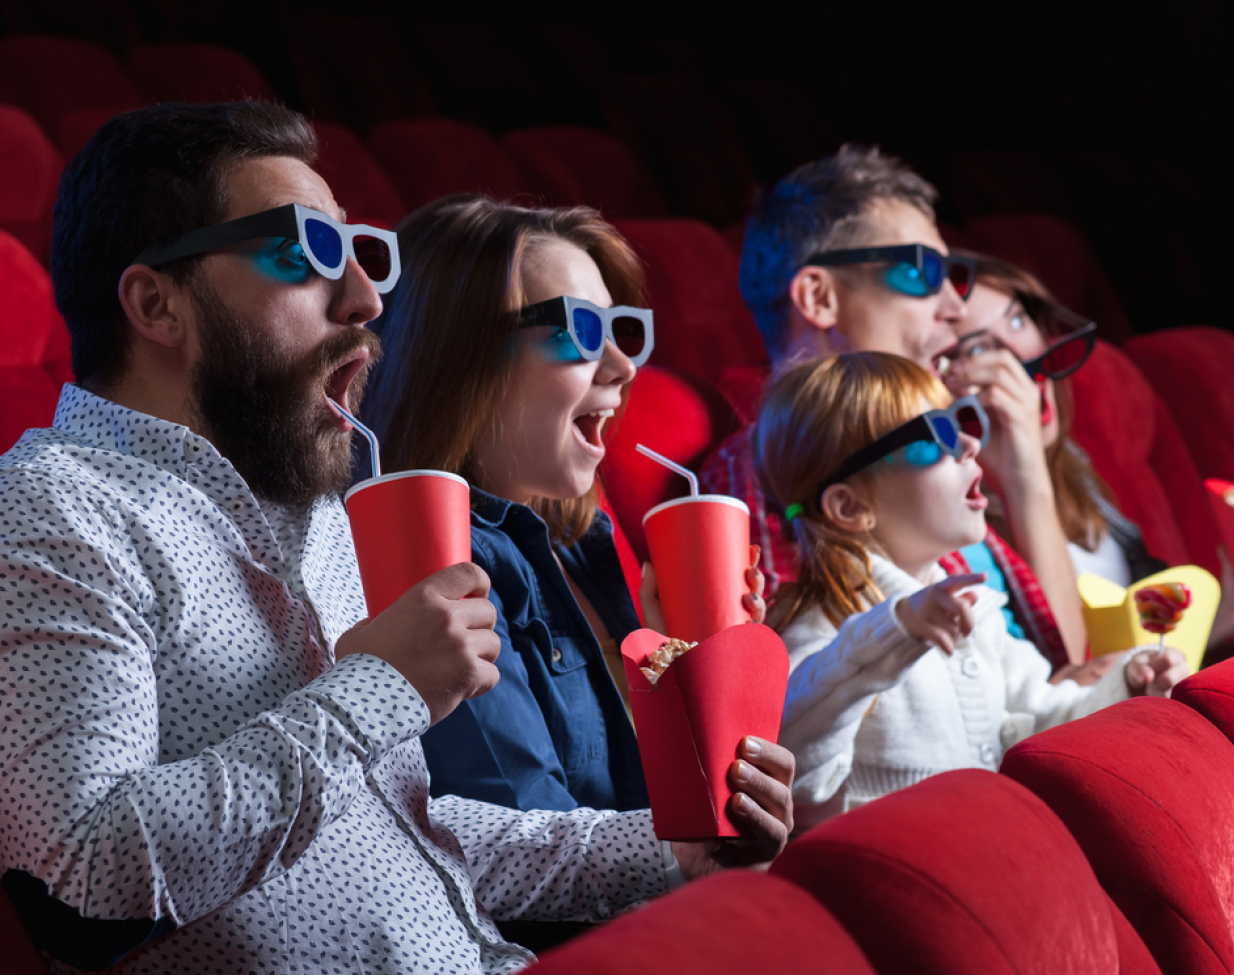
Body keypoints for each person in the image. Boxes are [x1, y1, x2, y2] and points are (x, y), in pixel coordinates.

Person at [0, 102, 789, 975]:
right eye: (309, 252)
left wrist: (670, 851)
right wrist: (380, 687)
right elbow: (81, 881)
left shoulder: (320, 514)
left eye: (359, 249)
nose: (367, 299)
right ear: (157, 303)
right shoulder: (51, 512)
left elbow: (404, 833)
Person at [361, 196, 785, 856]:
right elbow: (520, 843)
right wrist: (698, 860)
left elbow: (659, 801)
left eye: (618, 330)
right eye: (580, 331)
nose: (623, 368)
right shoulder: (439, 557)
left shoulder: (579, 544)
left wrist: (684, 674)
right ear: (460, 354)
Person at [750, 352, 1188, 830]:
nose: (969, 443)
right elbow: (799, 770)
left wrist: (1128, 686)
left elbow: (1042, 718)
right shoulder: (823, 626)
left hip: (996, 849)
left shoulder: (974, 608)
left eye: (961, 422)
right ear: (850, 506)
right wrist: (896, 632)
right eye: (933, 436)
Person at [699, 143, 1086, 670]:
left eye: (953, 277)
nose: (955, 308)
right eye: (924, 272)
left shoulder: (937, 448)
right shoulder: (764, 474)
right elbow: (800, 687)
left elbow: (1063, 661)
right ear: (819, 298)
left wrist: (1025, 473)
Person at [942, 252, 1167, 588]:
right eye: (977, 350)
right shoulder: (963, 527)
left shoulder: (1069, 461)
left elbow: (1144, 622)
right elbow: (1056, 639)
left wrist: (1227, 615)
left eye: (1017, 321)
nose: (1020, 354)